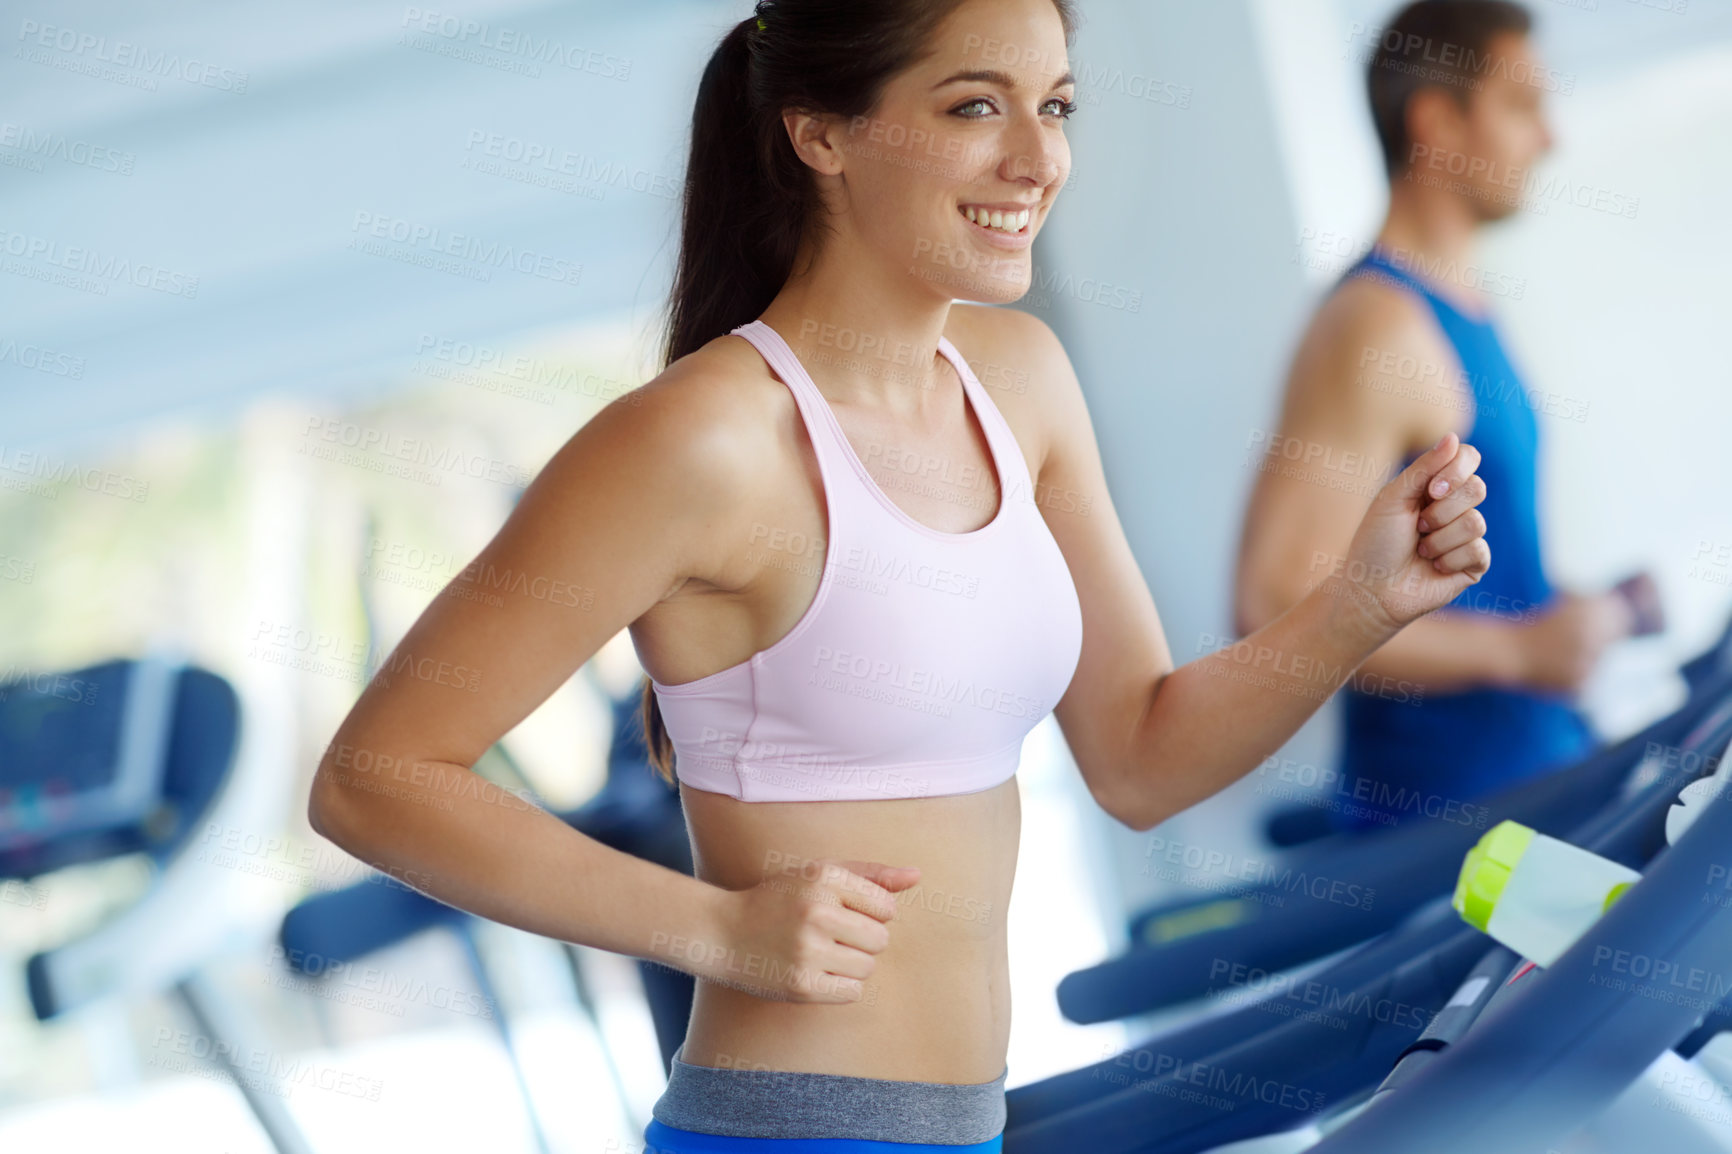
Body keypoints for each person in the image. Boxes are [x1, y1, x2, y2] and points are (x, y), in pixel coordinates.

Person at [307, 1, 1493, 1149]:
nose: (1038, 157)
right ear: (818, 133)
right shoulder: (698, 442)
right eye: (976, 105)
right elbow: (375, 777)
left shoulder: (1018, 380)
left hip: (965, 1121)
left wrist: (1356, 606)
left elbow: (1140, 755)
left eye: (1056, 104)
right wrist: (717, 929)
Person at [1233, 0, 1653, 836]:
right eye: (1523, 106)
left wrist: (1562, 617)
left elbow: (1477, 572)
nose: (1549, 138)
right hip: (1453, 832)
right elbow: (1274, 602)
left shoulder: (1464, 309)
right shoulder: (1375, 322)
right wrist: (1519, 651)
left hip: (1544, 781)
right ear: (1438, 122)